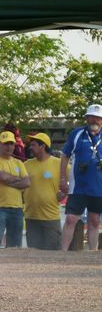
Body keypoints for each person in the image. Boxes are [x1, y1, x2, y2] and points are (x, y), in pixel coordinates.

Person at [59, 104, 102, 251]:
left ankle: (92, 253)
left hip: (98, 187)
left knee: (95, 221)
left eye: (98, 118)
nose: (94, 121)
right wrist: (62, 179)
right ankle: (63, 253)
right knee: (71, 219)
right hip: (78, 186)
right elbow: (65, 155)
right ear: (86, 118)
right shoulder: (77, 133)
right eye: (92, 117)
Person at [0, 131, 30, 249]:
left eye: (11, 144)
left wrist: (9, 181)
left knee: (15, 244)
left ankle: (12, 266)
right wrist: (17, 178)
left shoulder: (18, 162)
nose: (9, 147)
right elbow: (2, 177)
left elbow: (27, 182)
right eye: (6, 144)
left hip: (17, 207)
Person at [22, 133, 64, 250]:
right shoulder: (26, 165)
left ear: (43, 146)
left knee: (53, 254)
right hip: (31, 217)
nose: (30, 147)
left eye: (34, 145)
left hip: (51, 218)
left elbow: (74, 179)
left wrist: (65, 192)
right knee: (34, 255)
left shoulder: (59, 163)